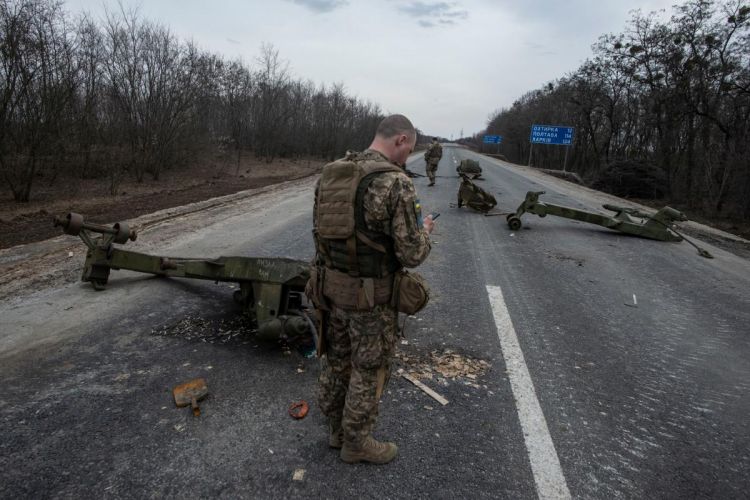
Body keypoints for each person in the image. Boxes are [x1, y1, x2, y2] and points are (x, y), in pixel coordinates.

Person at [309, 114, 435, 464]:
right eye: (409, 147)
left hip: (331, 291)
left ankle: (336, 431)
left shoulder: (331, 173)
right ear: (401, 140)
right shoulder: (395, 183)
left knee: (336, 362)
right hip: (370, 300)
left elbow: (319, 235)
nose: (408, 156)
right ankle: (357, 443)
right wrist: (425, 233)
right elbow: (411, 254)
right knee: (369, 368)